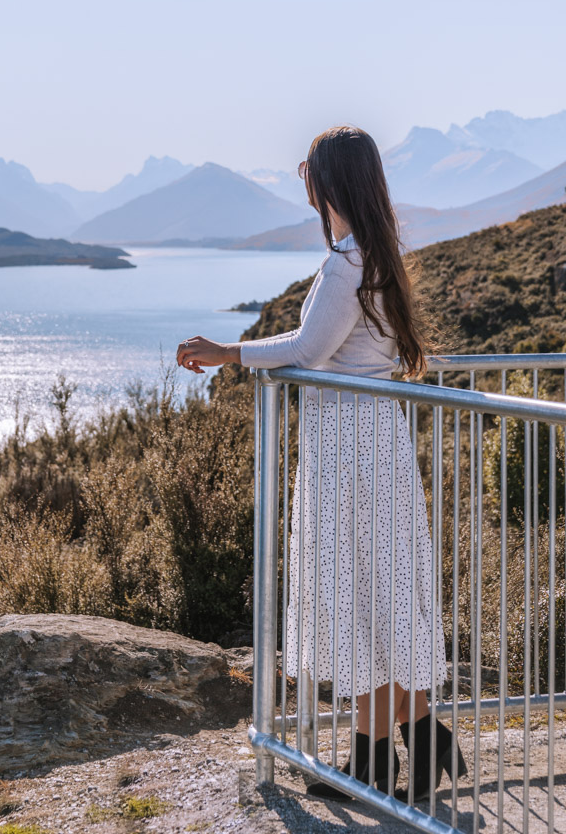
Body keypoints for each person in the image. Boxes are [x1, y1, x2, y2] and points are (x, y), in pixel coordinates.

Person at [176, 125, 466, 802]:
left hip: (350, 454)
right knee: (385, 596)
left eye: (308, 169)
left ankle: (379, 761)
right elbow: (322, 345)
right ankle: (415, 748)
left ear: (327, 182)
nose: (301, 177)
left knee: (362, 597)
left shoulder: (345, 263)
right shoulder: (374, 254)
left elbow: (309, 351)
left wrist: (230, 352)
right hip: (375, 447)